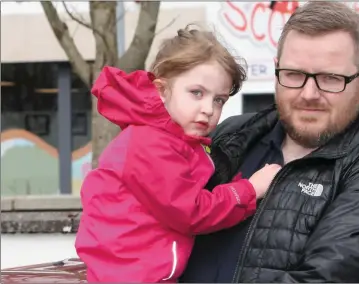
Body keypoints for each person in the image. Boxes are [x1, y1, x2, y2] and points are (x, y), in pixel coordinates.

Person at [180, 2, 359, 283]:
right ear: (277, 71)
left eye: (330, 78)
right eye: (294, 75)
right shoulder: (231, 136)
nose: (309, 93)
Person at [74, 25, 282, 283]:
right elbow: (191, 211)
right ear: (162, 91)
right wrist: (249, 189)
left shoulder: (177, 141)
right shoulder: (150, 143)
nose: (208, 108)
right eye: (197, 93)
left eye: (219, 100)